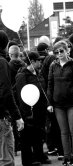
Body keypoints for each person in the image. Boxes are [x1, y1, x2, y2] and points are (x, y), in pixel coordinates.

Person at [47, 40, 73, 166]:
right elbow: (50, 85)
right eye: (56, 52)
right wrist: (49, 103)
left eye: (61, 51)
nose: (59, 53)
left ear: (67, 50)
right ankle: (67, 158)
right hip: (58, 105)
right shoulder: (53, 65)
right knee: (63, 132)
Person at [15, 51, 51, 166]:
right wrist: (26, 113)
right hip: (28, 112)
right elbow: (22, 96)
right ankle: (28, 161)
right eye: (38, 60)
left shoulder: (38, 73)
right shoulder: (22, 75)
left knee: (39, 135)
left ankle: (39, 155)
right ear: (32, 61)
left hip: (40, 110)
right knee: (26, 137)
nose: (41, 62)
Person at [0, 30, 24, 165]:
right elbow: (6, 91)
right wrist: (17, 116)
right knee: (6, 159)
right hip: (2, 115)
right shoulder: (2, 62)